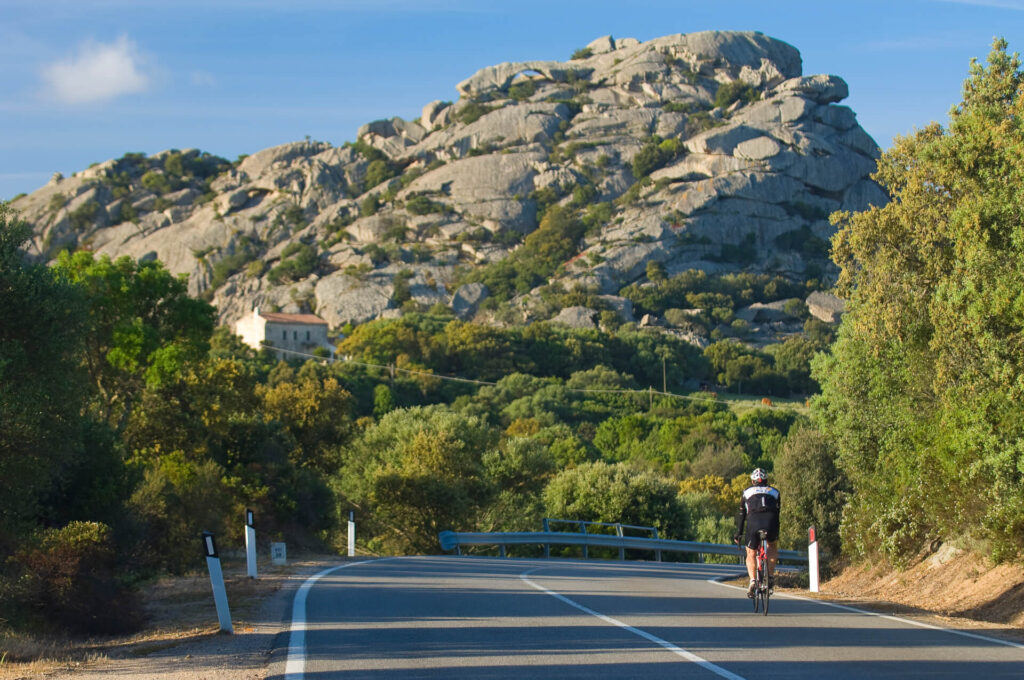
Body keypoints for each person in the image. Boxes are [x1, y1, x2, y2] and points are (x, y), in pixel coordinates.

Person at [733, 467, 780, 597]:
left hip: (754, 522)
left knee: (751, 552)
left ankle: (753, 580)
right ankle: (770, 577)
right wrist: (776, 534)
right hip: (770, 521)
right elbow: (777, 514)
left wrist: (738, 533)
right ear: (766, 480)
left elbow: (742, 515)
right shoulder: (775, 492)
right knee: (772, 546)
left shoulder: (746, 492)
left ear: (753, 481)